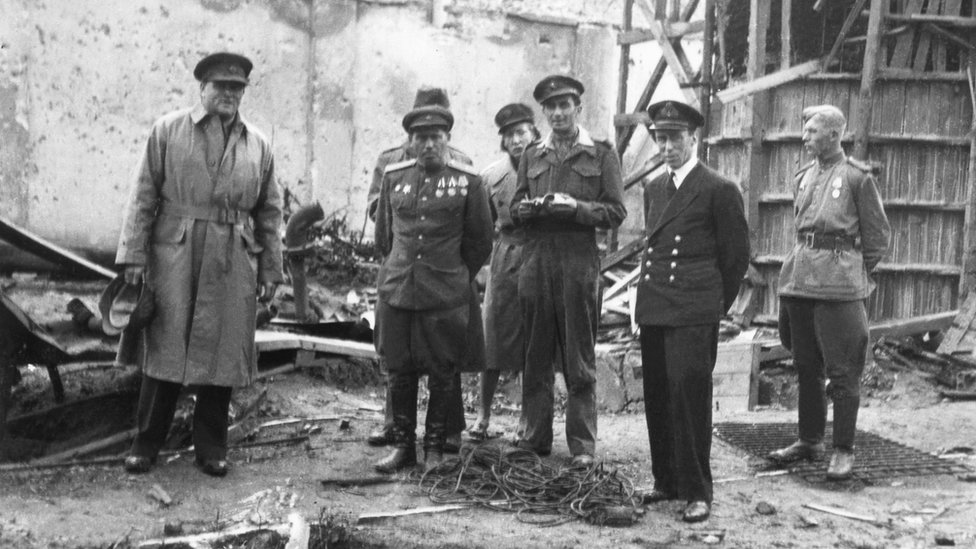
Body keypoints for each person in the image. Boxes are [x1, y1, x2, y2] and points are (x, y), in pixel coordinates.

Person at [116, 52, 283, 477]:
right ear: (202, 88)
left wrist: (270, 270)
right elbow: (143, 197)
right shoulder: (168, 131)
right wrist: (133, 257)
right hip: (175, 252)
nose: (229, 95)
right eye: (221, 86)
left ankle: (210, 447)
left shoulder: (258, 143)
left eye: (237, 88)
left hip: (233, 257)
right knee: (167, 347)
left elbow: (269, 211)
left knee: (222, 351)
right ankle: (146, 443)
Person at [634, 100, 750, 523]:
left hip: (695, 308)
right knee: (659, 397)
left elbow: (736, 258)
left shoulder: (719, 188)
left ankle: (698, 490)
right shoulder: (653, 189)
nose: (666, 146)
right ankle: (666, 481)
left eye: (674, 138)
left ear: (693, 138)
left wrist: (711, 306)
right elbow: (655, 250)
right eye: (660, 138)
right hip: (656, 307)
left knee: (690, 398)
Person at [767, 105, 890, 481]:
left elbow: (877, 236)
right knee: (806, 364)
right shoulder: (803, 176)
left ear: (835, 134)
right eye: (805, 130)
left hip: (839, 285)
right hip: (801, 279)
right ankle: (809, 439)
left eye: (813, 130)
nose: (805, 136)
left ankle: (843, 449)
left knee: (843, 370)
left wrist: (851, 270)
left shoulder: (856, 177)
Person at [510, 75, 626, 467]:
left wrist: (575, 209)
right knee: (535, 354)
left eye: (565, 106)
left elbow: (615, 212)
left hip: (578, 263)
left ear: (579, 108)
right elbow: (514, 205)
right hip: (536, 260)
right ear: (543, 112)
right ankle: (534, 437)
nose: (558, 113)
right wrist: (523, 210)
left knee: (578, 356)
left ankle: (582, 446)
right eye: (551, 107)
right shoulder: (531, 155)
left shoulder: (602, 154)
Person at [372, 98, 493, 472]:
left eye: (435, 137)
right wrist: (401, 270)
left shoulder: (468, 182)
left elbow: (480, 242)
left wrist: (453, 274)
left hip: (445, 294)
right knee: (400, 371)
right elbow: (384, 239)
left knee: (443, 373)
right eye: (420, 138)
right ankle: (403, 446)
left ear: (447, 138)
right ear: (409, 141)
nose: (427, 145)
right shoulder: (394, 177)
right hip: (399, 290)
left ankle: (436, 449)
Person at [466, 103, 540, 442]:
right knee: (492, 336)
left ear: (534, 133)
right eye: (509, 135)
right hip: (504, 256)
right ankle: (482, 415)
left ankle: (527, 420)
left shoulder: (546, 168)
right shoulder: (490, 176)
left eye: (522, 132)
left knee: (533, 341)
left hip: (539, 254)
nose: (516, 140)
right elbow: (480, 225)